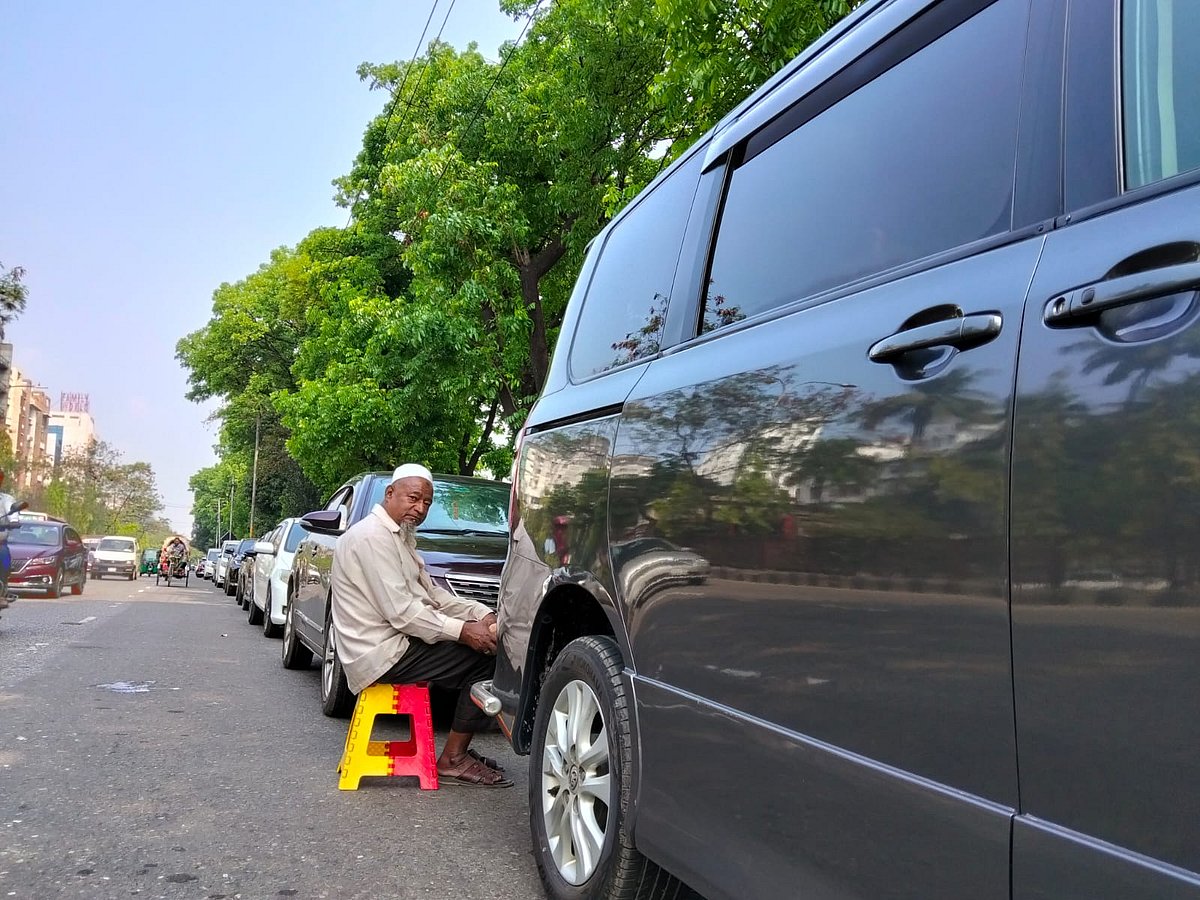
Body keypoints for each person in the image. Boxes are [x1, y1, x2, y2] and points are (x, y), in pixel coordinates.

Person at [331, 463, 511, 788]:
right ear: (390, 494)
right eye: (413, 499)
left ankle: (459, 751)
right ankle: (454, 758)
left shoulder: (399, 536)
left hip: (395, 643)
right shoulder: (373, 538)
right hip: (380, 653)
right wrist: (464, 632)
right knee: (486, 658)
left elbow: (433, 595)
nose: (420, 508)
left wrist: (480, 613)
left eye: (426, 502)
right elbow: (403, 614)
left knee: (481, 642)